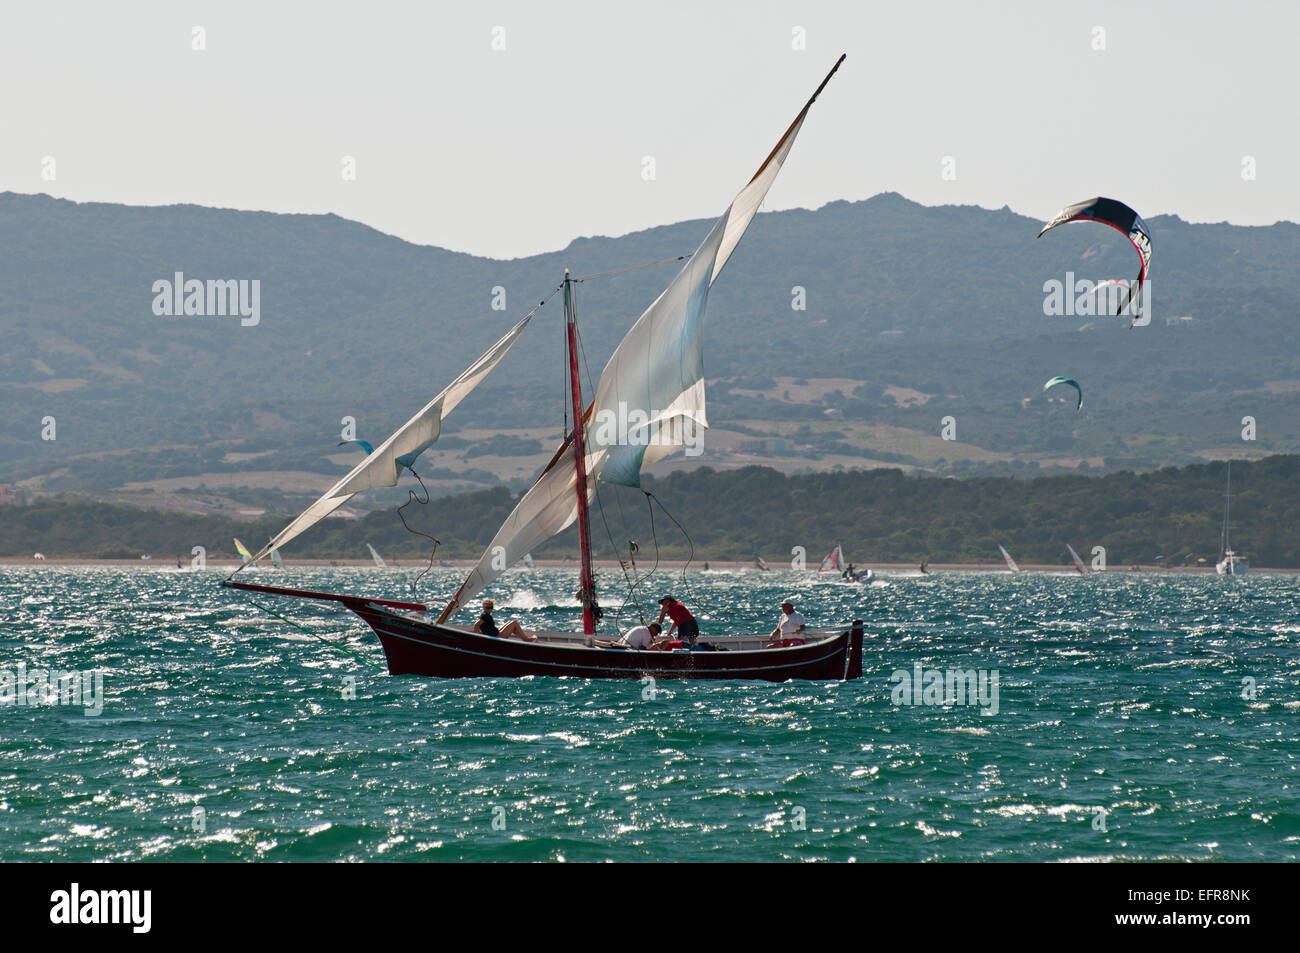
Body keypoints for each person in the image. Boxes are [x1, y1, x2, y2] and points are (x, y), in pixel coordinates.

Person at [473, 598, 537, 642]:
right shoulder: (486, 616)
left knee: (511, 623)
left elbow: (481, 626)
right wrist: (478, 636)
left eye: (491, 607)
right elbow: (476, 625)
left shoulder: (484, 615)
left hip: (496, 633)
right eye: (488, 608)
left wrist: (482, 633)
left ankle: (525, 638)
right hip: (497, 636)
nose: (490, 609)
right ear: (484, 608)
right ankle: (526, 639)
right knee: (514, 623)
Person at [595, 622, 661, 650]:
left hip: (622, 644)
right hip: (627, 648)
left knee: (609, 645)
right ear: (653, 629)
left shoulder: (641, 627)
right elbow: (643, 648)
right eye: (656, 633)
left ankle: (595, 642)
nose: (655, 635)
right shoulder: (647, 633)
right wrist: (651, 643)